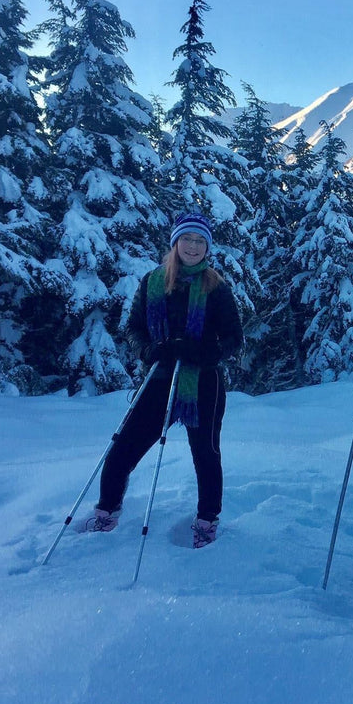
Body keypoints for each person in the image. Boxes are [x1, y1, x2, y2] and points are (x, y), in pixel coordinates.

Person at [85, 212, 243, 549]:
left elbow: (233, 337)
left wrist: (202, 353)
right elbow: (133, 328)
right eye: (188, 239)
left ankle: (206, 520)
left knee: (206, 453)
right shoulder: (153, 282)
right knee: (122, 450)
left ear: (207, 247)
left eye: (200, 241)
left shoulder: (215, 287)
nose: (193, 246)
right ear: (175, 243)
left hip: (203, 383)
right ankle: (106, 511)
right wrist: (148, 350)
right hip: (158, 380)